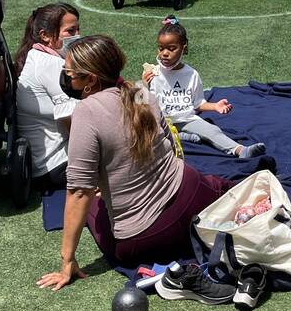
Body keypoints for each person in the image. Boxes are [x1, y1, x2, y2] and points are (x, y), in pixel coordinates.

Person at [35, 35, 237, 297]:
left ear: (91, 80)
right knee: (215, 184)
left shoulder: (86, 111)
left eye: (70, 73)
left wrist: (66, 262)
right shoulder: (142, 92)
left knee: (93, 209)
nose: (65, 77)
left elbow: (79, 192)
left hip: (147, 238)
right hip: (193, 196)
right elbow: (171, 146)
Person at [142, 17, 266, 159]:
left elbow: (198, 103)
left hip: (186, 119)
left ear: (184, 48)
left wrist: (215, 106)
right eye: (161, 48)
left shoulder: (191, 74)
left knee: (212, 130)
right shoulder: (153, 73)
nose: (164, 53)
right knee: (144, 131)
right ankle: (179, 135)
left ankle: (240, 150)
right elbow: (141, 103)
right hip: (161, 121)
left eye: (171, 49)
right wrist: (144, 85)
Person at [14, 3, 82, 192]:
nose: (78, 35)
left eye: (78, 28)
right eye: (71, 31)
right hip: (54, 165)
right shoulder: (50, 65)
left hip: (42, 164)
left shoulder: (36, 56)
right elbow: (72, 120)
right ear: (45, 35)